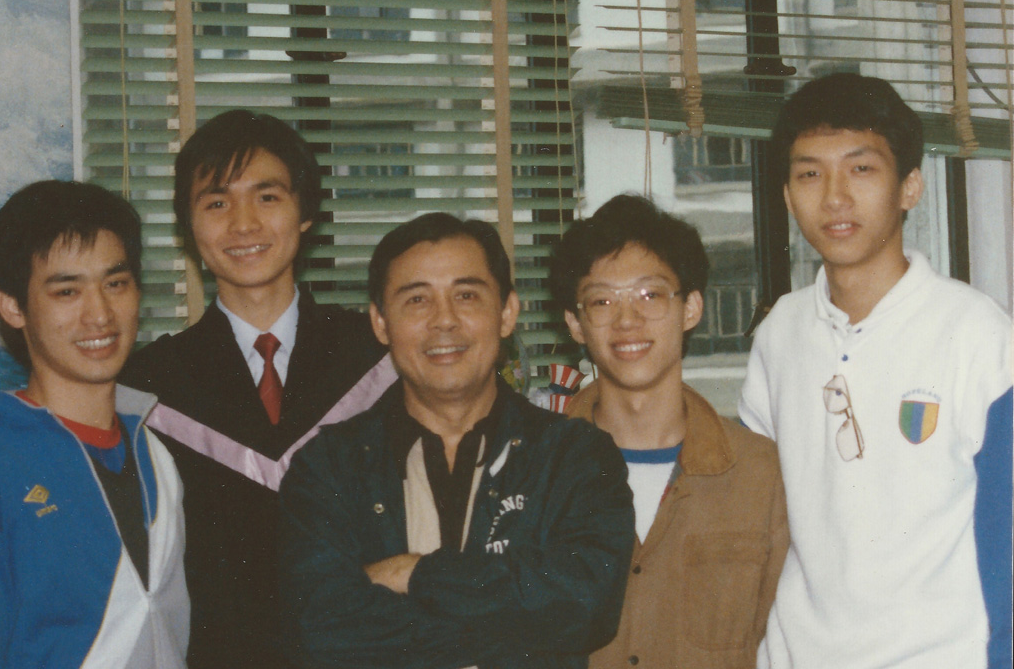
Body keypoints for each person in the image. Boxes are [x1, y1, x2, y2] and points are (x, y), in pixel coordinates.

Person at [738, 74, 1012, 669]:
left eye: (861, 169)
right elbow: (764, 522)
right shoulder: (778, 336)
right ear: (786, 194)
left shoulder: (979, 336)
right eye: (810, 173)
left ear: (909, 186)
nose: (834, 197)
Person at [278, 213, 635, 668]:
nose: (444, 321)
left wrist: (417, 574)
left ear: (507, 312)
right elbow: (319, 631)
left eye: (466, 295)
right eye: (416, 300)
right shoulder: (327, 467)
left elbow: (586, 607)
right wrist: (519, 626)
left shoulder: (575, 456)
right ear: (380, 322)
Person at [120, 110, 392, 668]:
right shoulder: (148, 385)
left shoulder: (377, 358)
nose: (243, 224)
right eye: (217, 203)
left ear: (305, 213)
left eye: (267, 197)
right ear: (188, 227)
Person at [0, 180, 188, 668]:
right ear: (12, 306)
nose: (100, 314)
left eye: (116, 283)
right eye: (67, 290)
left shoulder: (157, 454)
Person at [550, 194, 788, 669]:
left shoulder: (762, 474)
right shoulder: (534, 471)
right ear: (576, 324)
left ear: (692, 308)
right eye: (602, 300)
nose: (627, 320)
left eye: (649, 295)